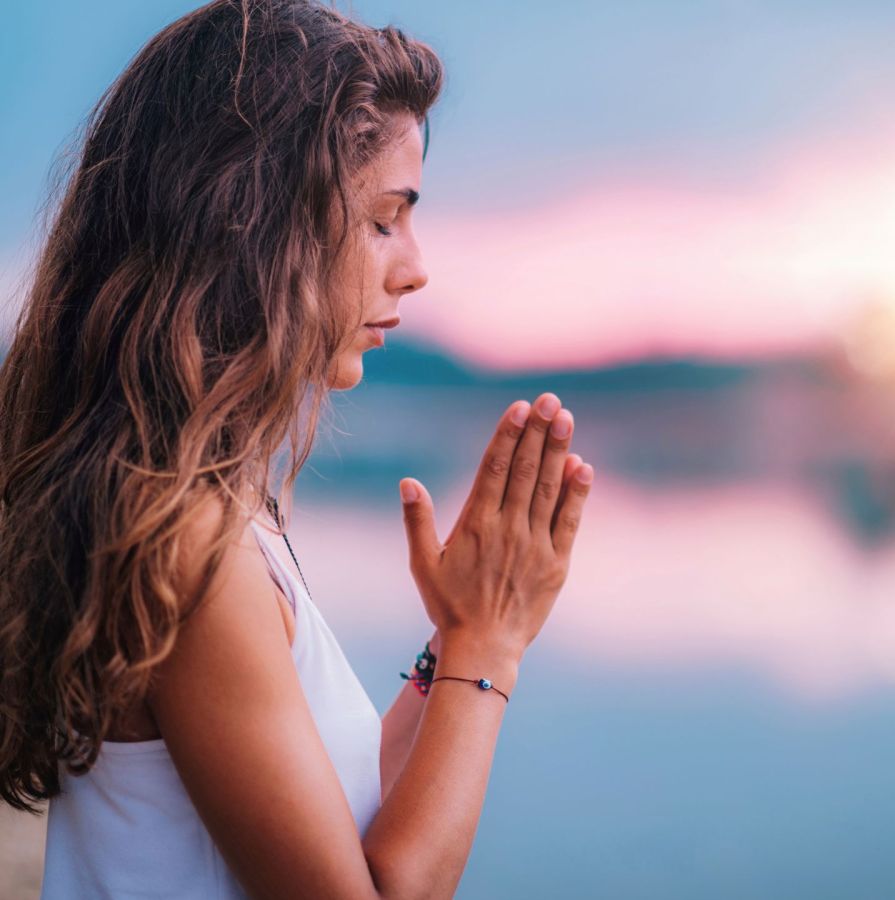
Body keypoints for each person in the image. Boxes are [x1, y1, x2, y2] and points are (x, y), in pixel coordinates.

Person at [0, 1, 594, 897]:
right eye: (383, 219)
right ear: (256, 224)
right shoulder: (189, 553)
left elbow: (343, 807)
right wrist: (491, 645)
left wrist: (452, 640)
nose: (415, 265)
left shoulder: (206, 510)